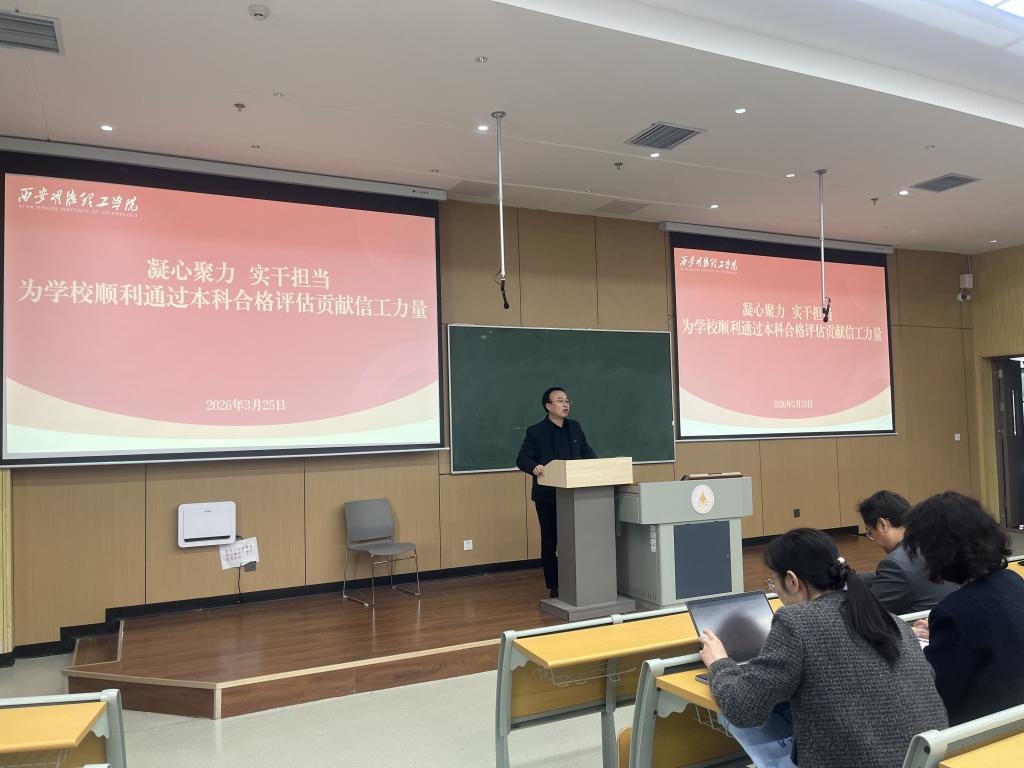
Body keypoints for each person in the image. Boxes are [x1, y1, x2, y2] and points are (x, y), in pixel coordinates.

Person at [699, 528, 946, 768]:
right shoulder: (890, 620)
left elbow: (744, 708)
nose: (776, 591)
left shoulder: (796, 622)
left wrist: (720, 663)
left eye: (773, 582)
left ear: (792, 580)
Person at [903, 491, 1024, 725]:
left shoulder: (953, 612)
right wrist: (941, 635)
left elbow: (937, 692)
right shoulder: (1012, 581)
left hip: (980, 730)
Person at [516, 386, 597, 599]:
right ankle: (555, 584)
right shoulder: (536, 431)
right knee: (551, 541)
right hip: (548, 496)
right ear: (548, 406)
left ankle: (578, 580)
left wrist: (599, 467)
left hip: (575, 495)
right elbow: (522, 459)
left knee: (574, 540)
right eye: (560, 401)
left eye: (567, 400)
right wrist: (534, 467)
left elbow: (588, 453)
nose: (565, 404)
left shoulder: (575, 428)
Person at [857, 490, 956, 613]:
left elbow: (869, 614)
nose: (872, 538)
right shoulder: (934, 544)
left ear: (883, 524)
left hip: (921, 623)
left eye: (870, 531)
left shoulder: (895, 565)